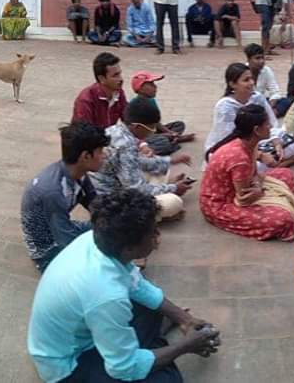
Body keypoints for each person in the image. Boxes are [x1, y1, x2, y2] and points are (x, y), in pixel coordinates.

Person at [27, 189, 221, 383]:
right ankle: (144, 349)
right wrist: (185, 346)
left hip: (85, 327)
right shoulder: (106, 295)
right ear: (129, 248)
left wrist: (185, 319)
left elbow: (136, 283)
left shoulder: (96, 240)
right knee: (168, 380)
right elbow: (124, 369)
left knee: (152, 306)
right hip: (68, 364)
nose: (158, 235)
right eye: (152, 233)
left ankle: (140, 347)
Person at [200, 105, 294, 242]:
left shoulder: (245, 142)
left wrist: (261, 157)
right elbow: (244, 198)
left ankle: (279, 202)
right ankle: (279, 206)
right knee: (283, 220)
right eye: (267, 124)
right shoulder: (239, 159)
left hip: (249, 185)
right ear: (256, 130)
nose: (271, 126)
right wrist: (259, 186)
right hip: (222, 204)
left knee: (286, 174)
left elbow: (254, 170)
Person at [21, 122, 108, 272]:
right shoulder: (53, 191)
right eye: (100, 151)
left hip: (63, 228)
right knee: (102, 272)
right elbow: (66, 241)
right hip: (48, 249)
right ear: (86, 156)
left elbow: (95, 203)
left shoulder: (77, 173)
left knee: (115, 230)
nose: (104, 156)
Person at [92, 99, 191, 222]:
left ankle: (162, 190)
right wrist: (173, 188)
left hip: (119, 182)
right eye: (151, 128)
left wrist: (170, 161)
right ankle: (151, 217)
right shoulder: (126, 146)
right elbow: (136, 189)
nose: (153, 132)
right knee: (174, 203)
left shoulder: (115, 130)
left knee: (159, 168)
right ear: (137, 126)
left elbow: (138, 162)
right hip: (111, 201)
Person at [203, 63, 294, 166]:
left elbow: (271, 123)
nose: (252, 83)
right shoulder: (225, 107)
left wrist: (276, 142)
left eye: (251, 79)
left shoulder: (257, 97)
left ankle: (274, 162)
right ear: (232, 84)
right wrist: (260, 155)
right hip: (234, 148)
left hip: (260, 140)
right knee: (251, 164)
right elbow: (228, 140)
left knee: (293, 142)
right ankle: (279, 164)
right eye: (246, 80)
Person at [131, 71, 196, 156]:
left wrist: (169, 132)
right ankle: (171, 142)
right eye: (151, 84)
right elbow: (142, 133)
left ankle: (172, 139)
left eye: (154, 84)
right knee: (163, 142)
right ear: (141, 89)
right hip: (143, 137)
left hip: (154, 132)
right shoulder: (138, 106)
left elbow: (156, 122)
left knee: (179, 125)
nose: (155, 87)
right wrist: (168, 134)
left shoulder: (150, 100)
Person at [73, 52, 128, 129]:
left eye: (120, 74)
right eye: (115, 75)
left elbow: (128, 120)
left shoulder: (118, 92)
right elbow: (84, 133)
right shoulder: (86, 100)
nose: (121, 79)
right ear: (101, 79)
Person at [245, 43, 287, 115]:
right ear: (249, 60)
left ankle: (266, 115)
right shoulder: (242, 72)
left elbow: (275, 92)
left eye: (263, 58)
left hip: (262, 103)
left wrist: (269, 107)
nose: (262, 61)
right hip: (247, 104)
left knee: (285, 101)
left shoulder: (266, 70)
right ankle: (268, 115)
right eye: (257, 58)